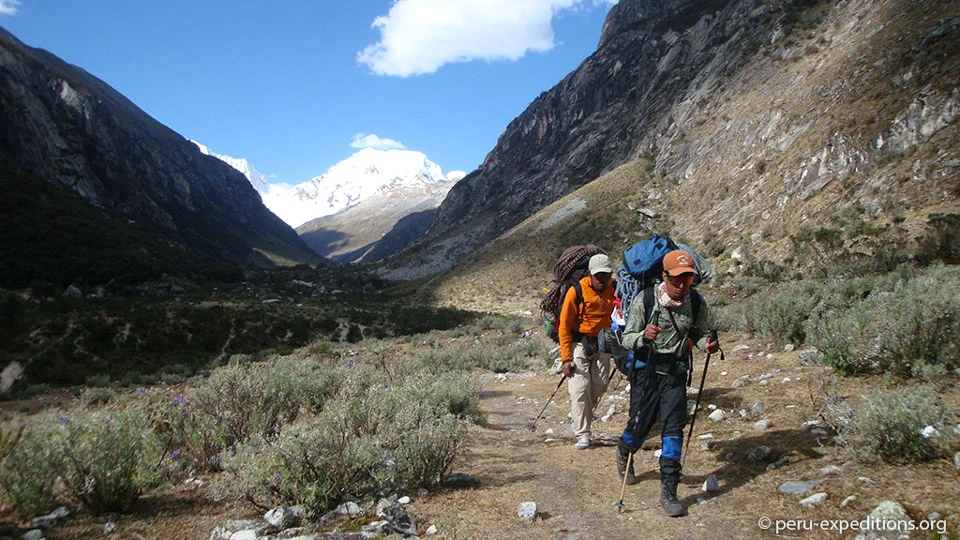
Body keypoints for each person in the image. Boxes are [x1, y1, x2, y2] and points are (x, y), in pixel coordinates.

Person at [617, 249, 719, 517]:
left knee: (673, 428)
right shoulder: (646, 299)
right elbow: (627, 338)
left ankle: (670, 491)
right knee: (639, 426)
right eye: (677, 280)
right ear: (664, 276)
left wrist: (705, 345)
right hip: (646, 372)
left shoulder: (696, 302)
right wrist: (643, 337)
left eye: (688, 279)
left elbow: (698, 332)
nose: (683, 286)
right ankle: (625, 449)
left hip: (675, 373)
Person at [559, 253, 616, 450]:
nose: (602, 281)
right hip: (579, 345)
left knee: (599, 386)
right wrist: (566, 358)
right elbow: (564, 327)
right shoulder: (576, 291)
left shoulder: (614, 288)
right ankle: (583, 433)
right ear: (590, 274)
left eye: (606, 276)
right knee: (580, 389)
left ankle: (578, 415)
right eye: (599, 276)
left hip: (604, 344)